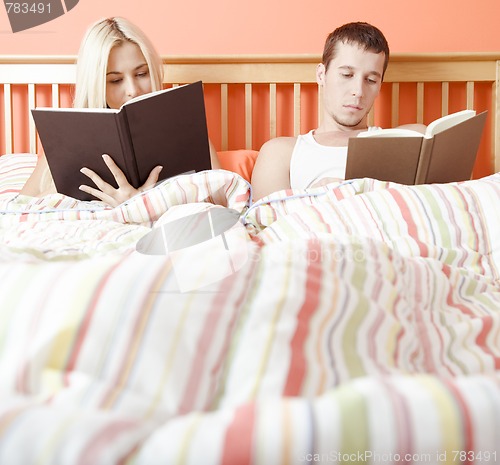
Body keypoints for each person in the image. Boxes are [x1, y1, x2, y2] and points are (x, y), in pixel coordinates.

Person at [21, 17, 220, 206]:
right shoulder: (67, 143)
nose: (133, 90)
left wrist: (144, 203)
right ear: (96, 83)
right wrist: (63, 189)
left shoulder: (187, 127)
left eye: (142, 74)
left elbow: (223, 199)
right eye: (115, 80)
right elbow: (17, 210)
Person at [251, 22, 424, 200]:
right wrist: (316, 197)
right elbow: (268, 221)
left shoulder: (407, 140)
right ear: (321, 75)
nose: (358, 91)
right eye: (347, 75)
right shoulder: (281, 152)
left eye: (371, 80)